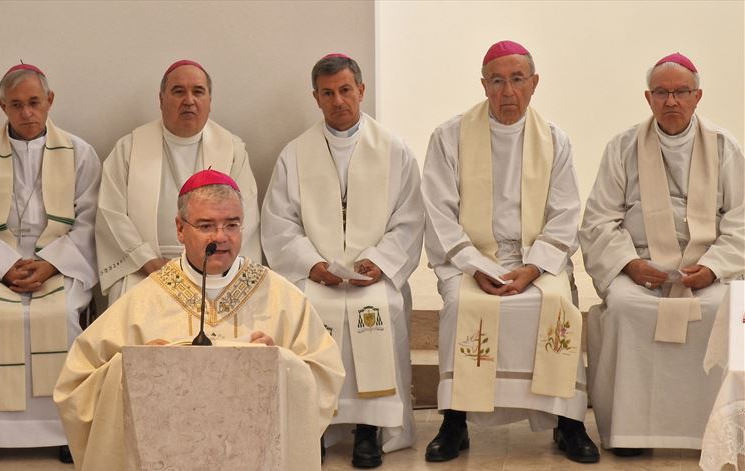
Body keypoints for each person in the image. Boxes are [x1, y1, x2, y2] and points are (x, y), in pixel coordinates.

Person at [55, 169, 344, 470]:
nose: (220, 237)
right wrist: (134, 368)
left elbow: (325, 373)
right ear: (180, 229)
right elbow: (77, 384)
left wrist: (280, 363)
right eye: (206, 225)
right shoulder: (144, 300)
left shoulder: (282, 297)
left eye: (232, 225)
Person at [421, 40, 599, 464]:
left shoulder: (554, 139)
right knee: (461, 304)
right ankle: (455, 420)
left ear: (534, 83)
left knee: (559, 302)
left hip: (536, 260)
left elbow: (565, 211)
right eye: (497, 81)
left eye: (517, 80)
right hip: (472, 258)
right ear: (483, 85)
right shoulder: (450, 136)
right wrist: (476, 265)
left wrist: (533, 268)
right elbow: (438, 211)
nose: (507, 91)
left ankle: (569, 423)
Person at [261, 53, 424, 469]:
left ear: (361, 91)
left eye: (346, 90)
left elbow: (409, 218)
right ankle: (312, 426)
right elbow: (279, 222)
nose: (338, 101)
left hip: (372, 276)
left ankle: (368, 430)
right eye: (328, 93)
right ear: (315, 98)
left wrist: (380, 262)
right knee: (307, 308)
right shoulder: (294, 154)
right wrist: (312, 265)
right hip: (319, 274)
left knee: (383, 306)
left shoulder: (394, 149)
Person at [580, 52, 744, 456]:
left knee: (722, 308)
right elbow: (599, 220)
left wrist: (712, 267)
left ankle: (715, 435)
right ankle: (630, 434)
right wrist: (630, 265)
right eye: (662, 92)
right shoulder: (622, 147)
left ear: (697, 96)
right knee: (622, 306)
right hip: (641, 268)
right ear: (648, 97)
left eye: (680, 92)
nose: (671, 101)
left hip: (706, 270)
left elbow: (741, 219)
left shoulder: (725, 147)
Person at [0, 63, 100, 466]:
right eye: (16, 105)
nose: (26, 113)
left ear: (50, 101)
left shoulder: (80, 153)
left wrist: (49, 264)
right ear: (2, 106)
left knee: (63, 314)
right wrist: (6, 265)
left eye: (34, 102)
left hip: (60, 262)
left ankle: (64, 429)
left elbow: (90, 224)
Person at [95, 59, 260, 305]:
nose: (189, 100)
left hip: (214, 269)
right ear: (161, 100)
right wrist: (148, 261)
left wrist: (210, 264)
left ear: (210, 102)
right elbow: (111, 213)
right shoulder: (129, 148)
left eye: (198, 91)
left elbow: (244, 214)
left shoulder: (232, 149)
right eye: (178, 91)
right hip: (148, 269)